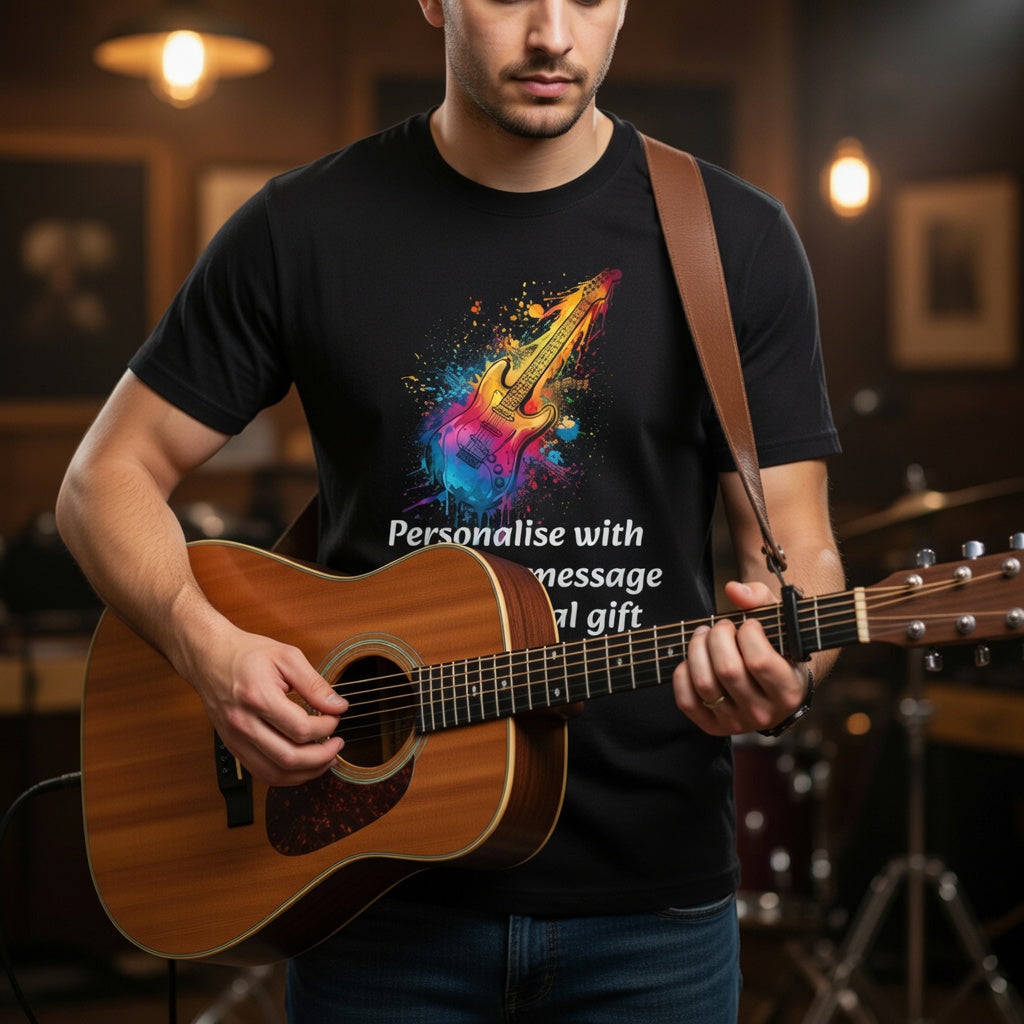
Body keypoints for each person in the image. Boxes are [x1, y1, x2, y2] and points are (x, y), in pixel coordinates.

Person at [57, 1, 844, 1020]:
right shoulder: (304, 227)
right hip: (371, 890)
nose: (555, 35)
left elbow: (802, 553)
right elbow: (101, 480)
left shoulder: (733, 240)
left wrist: (786, 670)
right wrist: (208, 648)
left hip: (651, 913)